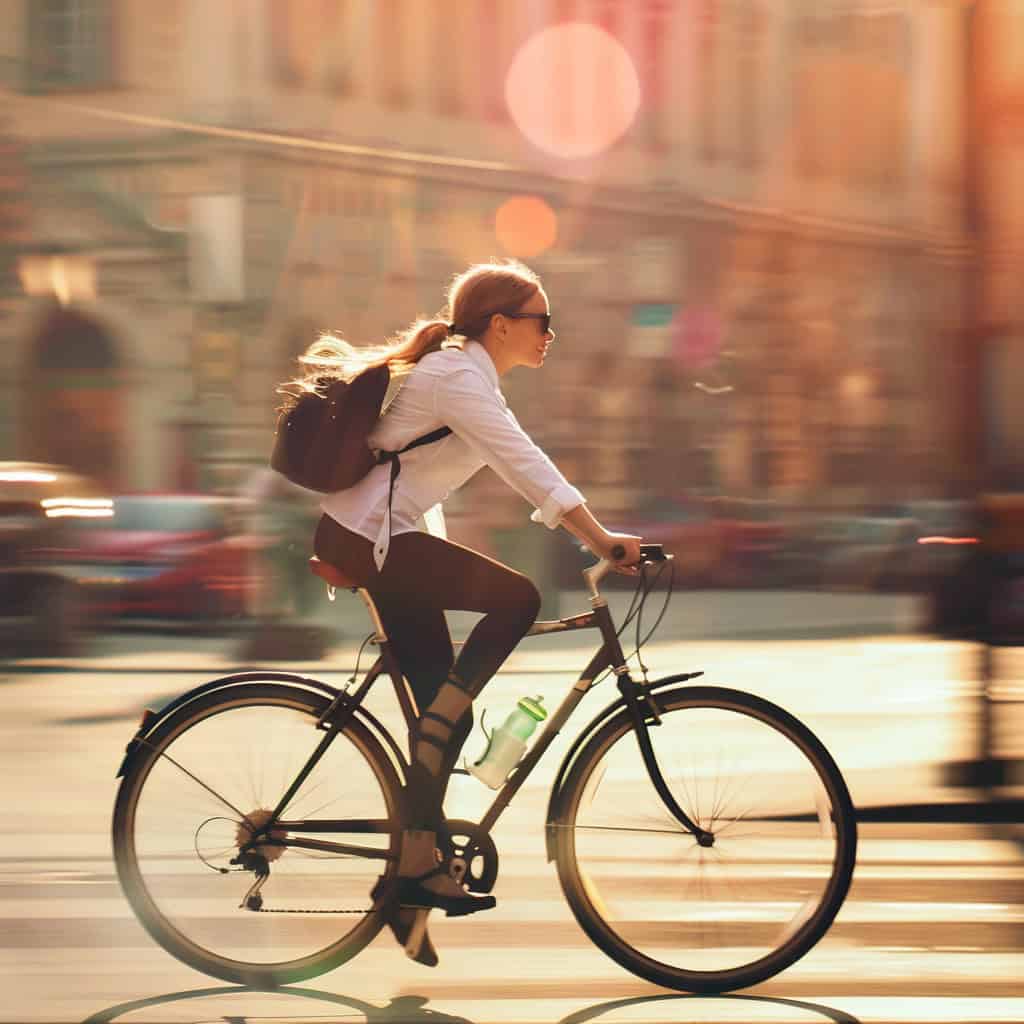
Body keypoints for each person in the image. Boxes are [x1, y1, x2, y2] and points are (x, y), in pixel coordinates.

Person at [303, 261, 642, 961]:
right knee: (520, 598)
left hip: (382, 540)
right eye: (543, 321)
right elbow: (525, 464)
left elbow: (421, 484)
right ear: (502, 324)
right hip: (373, 542)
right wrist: (602, 539)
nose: (552, 334)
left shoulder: (464, 375)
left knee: (441, 726)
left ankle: (411, 878)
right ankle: (436, 759)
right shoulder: (459, 375)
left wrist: (448, 557)